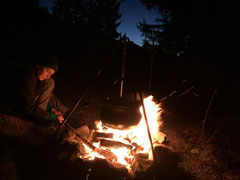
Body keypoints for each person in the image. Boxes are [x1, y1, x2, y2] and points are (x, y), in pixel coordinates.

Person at [0, 54, 68, 125]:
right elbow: (29, 106)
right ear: (38, 65)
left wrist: (51, 109)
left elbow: (37, 96)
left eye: (51, 74)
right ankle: (39, 119)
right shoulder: (27, 77)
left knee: (50, 83)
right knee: (50, 82)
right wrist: (52, 117)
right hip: (9, 106)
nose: (48, 76)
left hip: (21, 104)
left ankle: (62, 113)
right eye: (47, 71)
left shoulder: (36, 75)